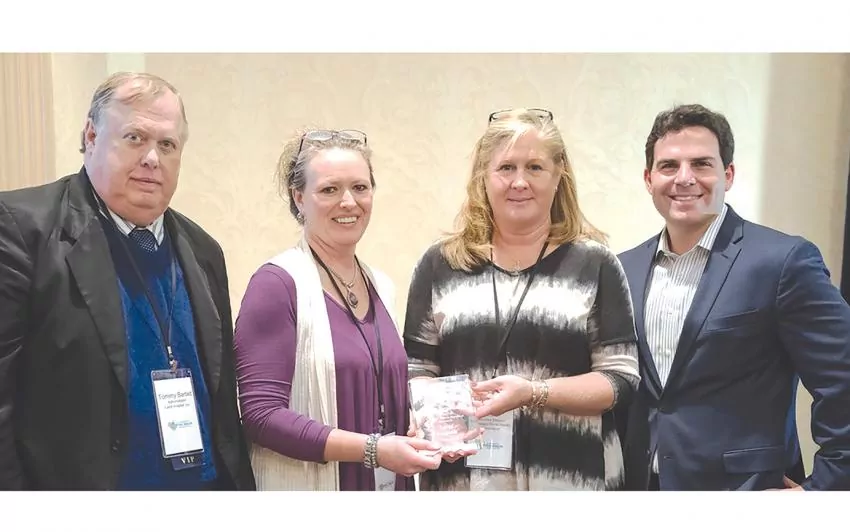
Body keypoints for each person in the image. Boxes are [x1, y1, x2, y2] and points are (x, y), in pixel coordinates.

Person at [0, 72, 255, 490]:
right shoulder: (22, 230)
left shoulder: (204, 250)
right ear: (91, 136)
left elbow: (224, 404)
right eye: (135, 138)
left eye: (167, 145)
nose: (152, 158)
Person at [403, 108, 641, 491]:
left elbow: (621, 380)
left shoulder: (595, 263)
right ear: (483, 176)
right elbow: (418, 370)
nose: (519, 182)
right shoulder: (440, 264)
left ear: (558, 175)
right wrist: (425, 414)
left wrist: (533, 393)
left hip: (572, 482)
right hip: (466, 484)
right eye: (506, 168)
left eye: (534, 167)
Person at [616, 103, 850, 491]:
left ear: (728, 174)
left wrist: (823, 491)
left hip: (745, 494)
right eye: (669, 166)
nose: (684, 178)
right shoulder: (623, 269)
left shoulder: (782, 262)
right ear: (648, 178)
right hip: (639, 491)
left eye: (701, 164)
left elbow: (842, 377)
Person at [233, 128, 442, 491]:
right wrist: (372, 450)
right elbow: (261, 416)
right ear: (299, 197)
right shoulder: (276, 284)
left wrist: (420, 420)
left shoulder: (381, 286)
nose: (349, 202)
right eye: (330, 189)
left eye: (360, 187)